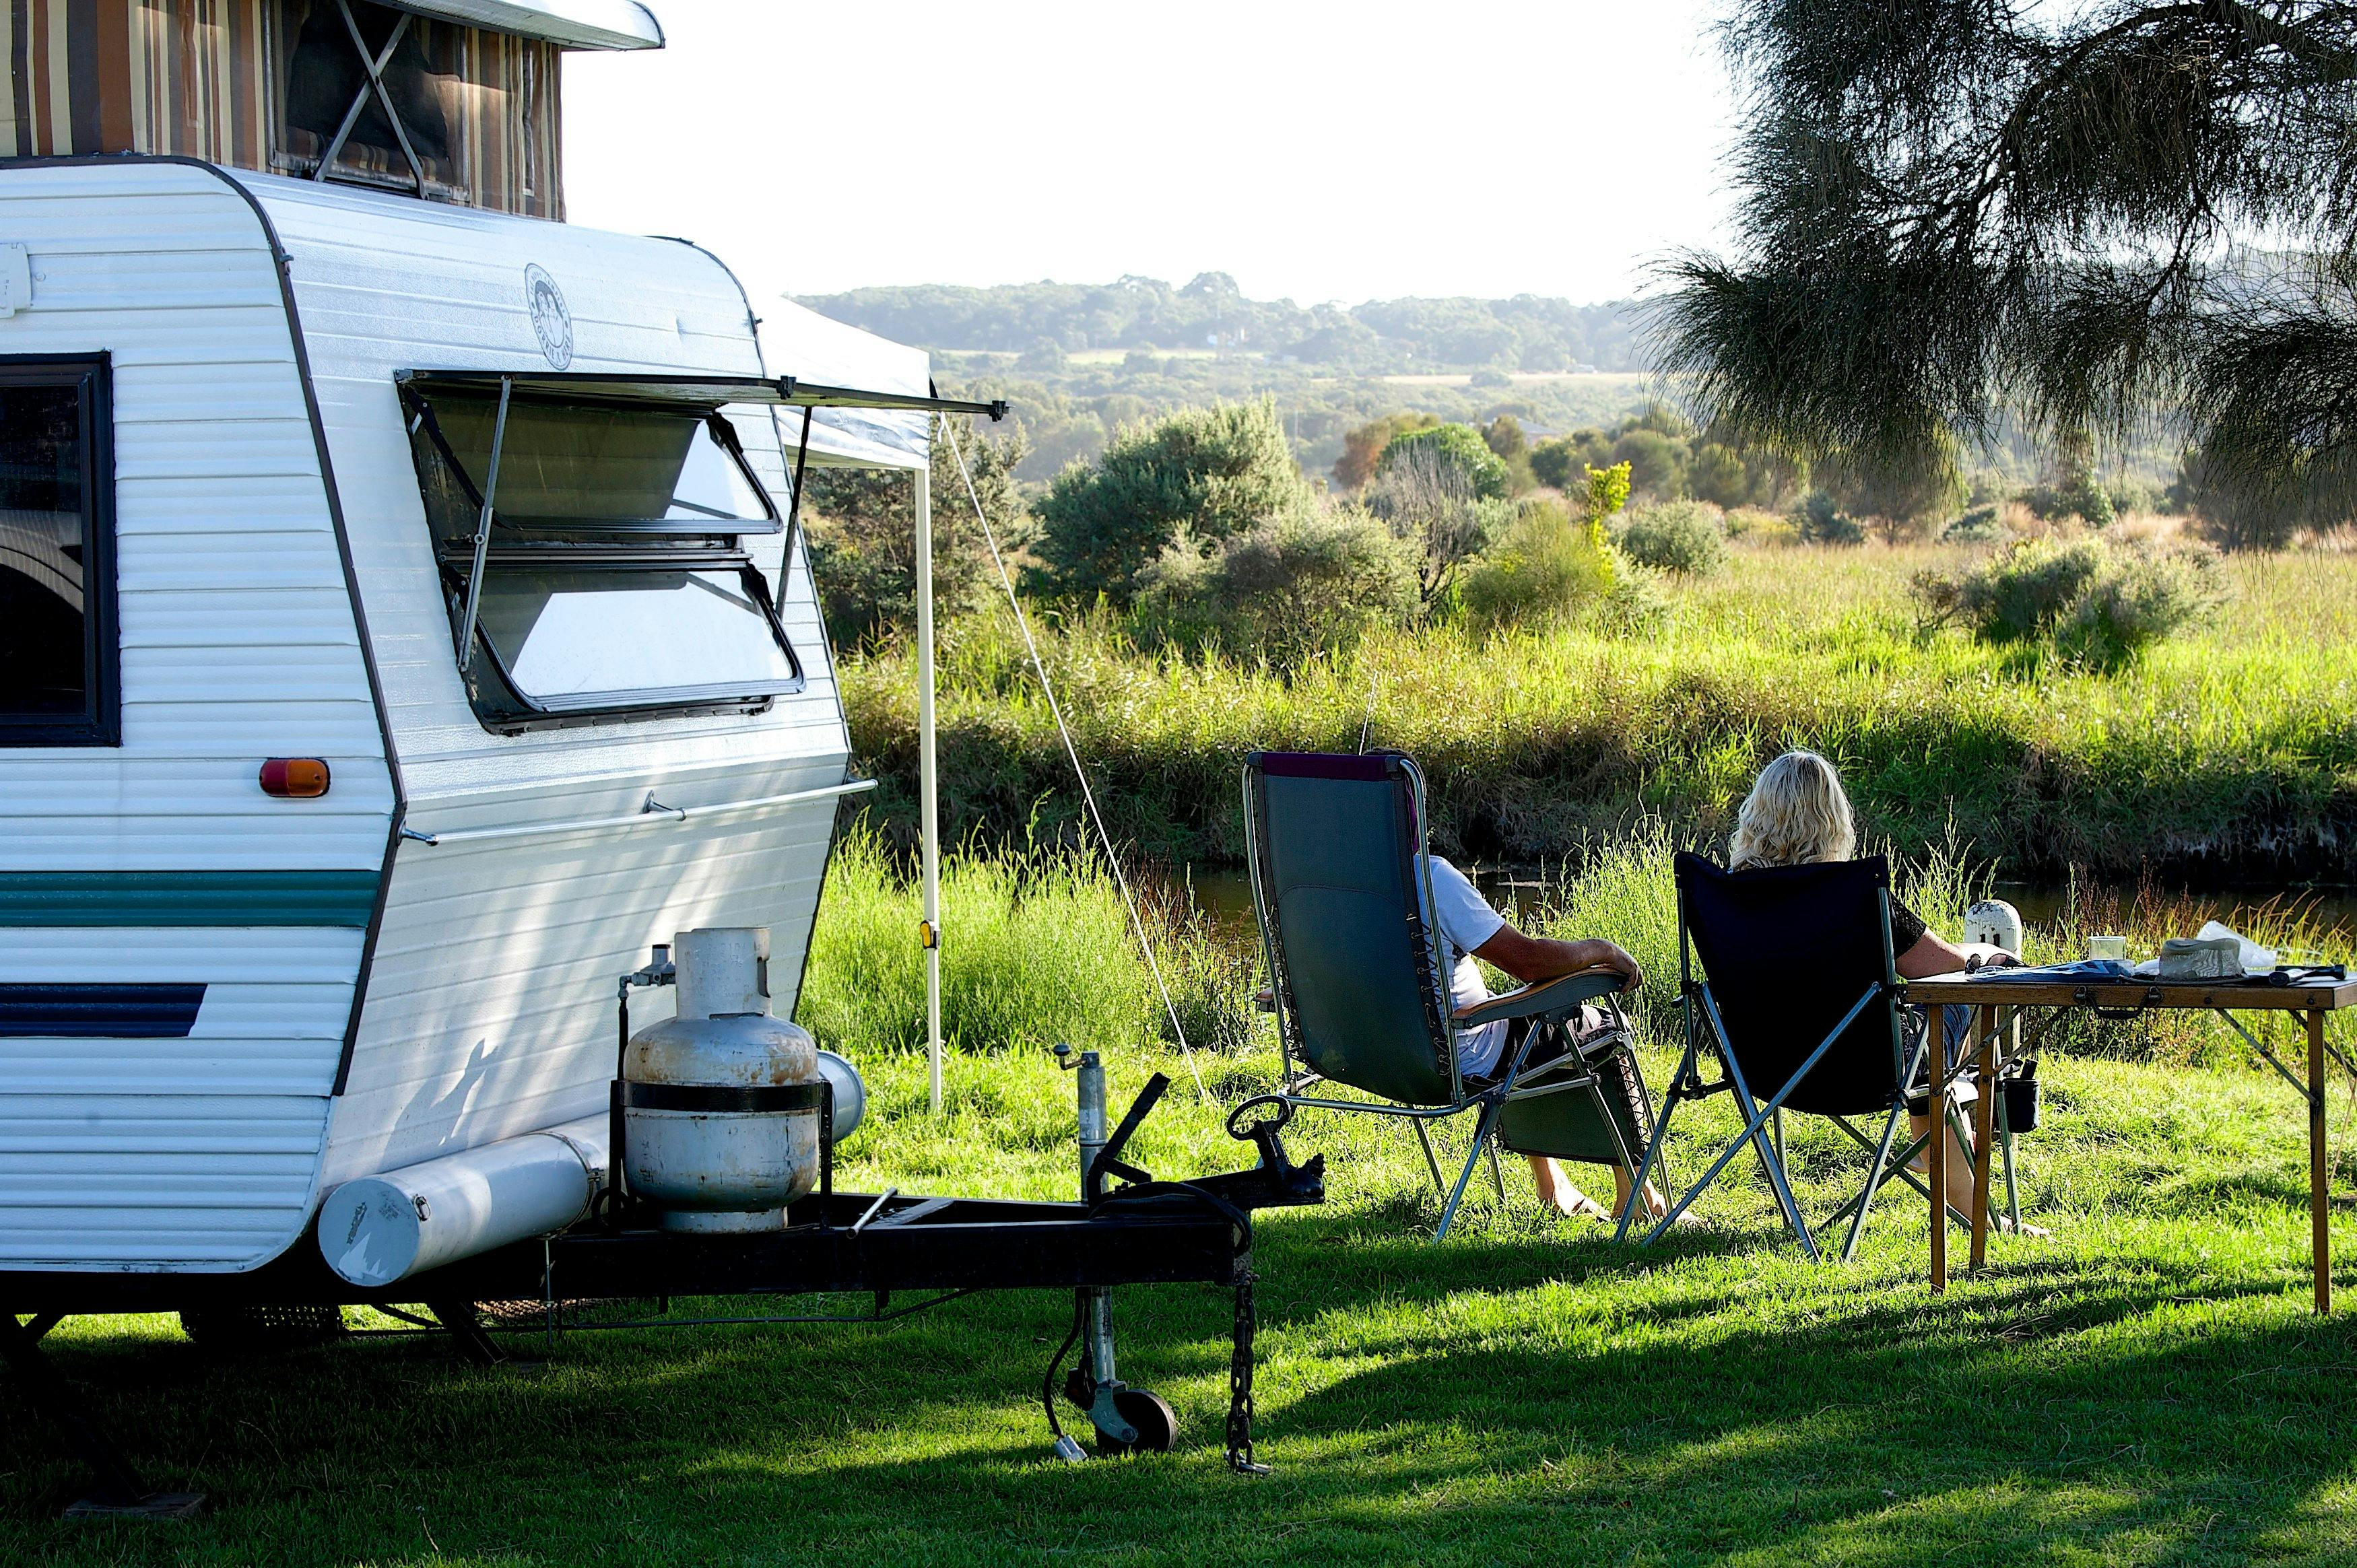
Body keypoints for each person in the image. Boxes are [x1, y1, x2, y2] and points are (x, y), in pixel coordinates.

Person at [1725, 749, 2045, 1235]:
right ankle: (1945, 1149)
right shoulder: (1855, 895)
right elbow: (1948, 966)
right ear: (1834, 819)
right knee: (1963, 992)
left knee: (1924, 1029)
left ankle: (1937, 1133)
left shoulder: (1725, 897)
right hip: (1864, 1070)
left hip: (1763, 1068)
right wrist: (1988, 956)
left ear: (1756, 812)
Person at [1421, 852, 1668, 1223]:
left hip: (1388, 1057)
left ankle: (1552, 1185)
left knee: (1522, 1024)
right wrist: (1602, 950)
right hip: (1461, 1053)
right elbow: (1528, 961)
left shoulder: (1330, 883)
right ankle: (1640, 1195)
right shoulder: (1431, 878)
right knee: (1602, 1027)